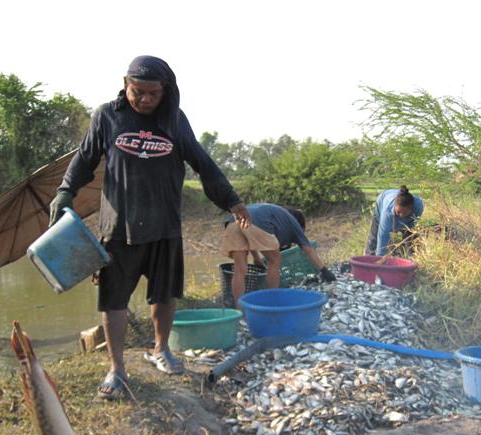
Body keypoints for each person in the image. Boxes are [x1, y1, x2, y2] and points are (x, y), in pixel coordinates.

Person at [48, 55, 251, 400]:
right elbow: (84, 158)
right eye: (135, 90)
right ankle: (116, 369)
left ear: (165, 91)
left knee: (164, 294)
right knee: (113, 299)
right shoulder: (107, 116)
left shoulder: (174, 120)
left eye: (151, 93)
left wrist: (232, 200)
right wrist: (65, 191)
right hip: (118, 227)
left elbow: (203, 163)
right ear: (125, 84)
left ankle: (161, 349)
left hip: (164, 225)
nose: (142, 99)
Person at [221, 203, 336, 307]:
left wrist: (257, 260)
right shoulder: (293, 223)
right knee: (274, 260)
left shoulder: (275, 213)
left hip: (234, 220)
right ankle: (272, 301)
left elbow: (249, 238)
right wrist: (324, 271)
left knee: (239, 270)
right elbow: (308, 248)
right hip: (253, 220)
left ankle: (239, 310)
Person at [364, 186, 424, 256]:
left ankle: (409, 260)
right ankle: (368, 258)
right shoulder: (387, 212)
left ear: (411, 209)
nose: (401, 215)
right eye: (398, 212)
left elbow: (410, 230)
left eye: (404, 213)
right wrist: (379, 260)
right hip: (382, 201)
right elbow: (383, 239)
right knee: (374, 238)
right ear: (395, 205)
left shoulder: (418, 207)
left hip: (407, 214)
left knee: (409, 237)